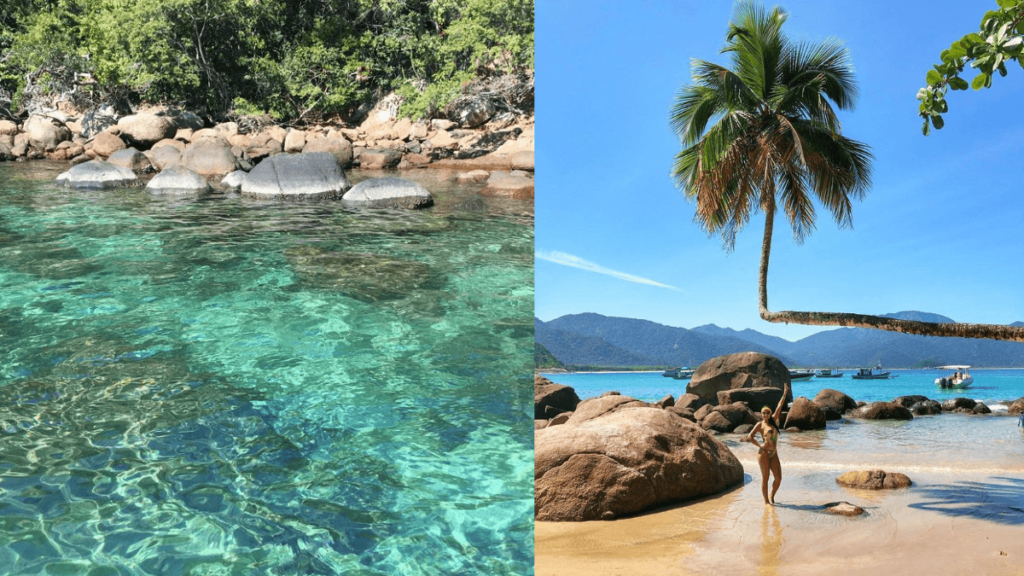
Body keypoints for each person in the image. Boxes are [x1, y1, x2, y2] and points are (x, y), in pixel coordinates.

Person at [746, 381, 791, 506]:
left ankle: (772, 495)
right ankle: (766, 502)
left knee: (778, 478)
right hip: (763, 454)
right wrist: (760, 445)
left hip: (774, 453)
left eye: (767, 412)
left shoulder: (774, 421)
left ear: (770, 414)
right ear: (761, 414)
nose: (765, 414)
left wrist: (785, 393)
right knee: (765, 479)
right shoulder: (760, 425)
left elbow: (779, 406)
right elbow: (750, 437)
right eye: (763, 413)